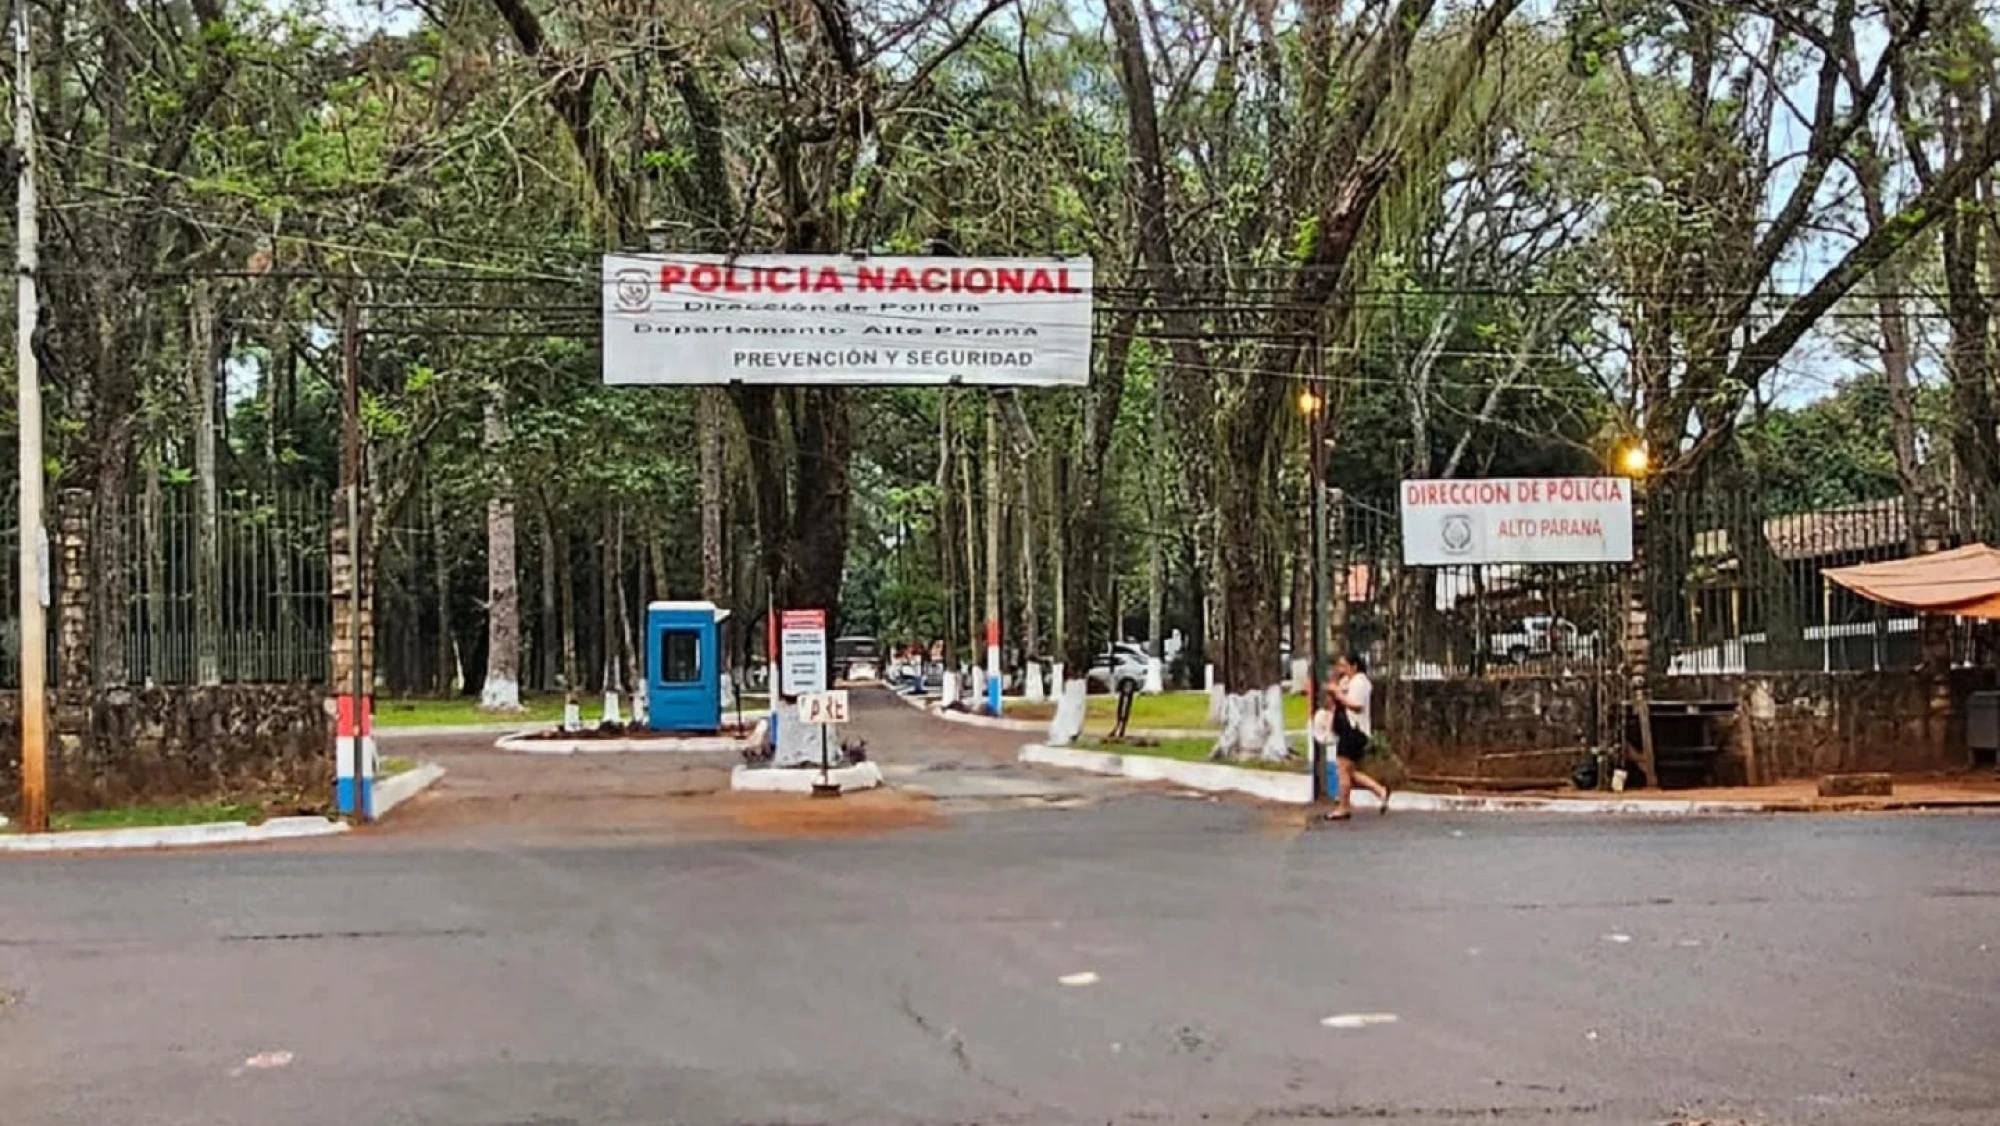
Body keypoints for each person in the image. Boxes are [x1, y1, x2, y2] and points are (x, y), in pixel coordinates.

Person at [1322, 651, 1390, 821]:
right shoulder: (1347, 681)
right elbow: (1335, 697)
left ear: (1354, 666)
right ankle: (1380, 791)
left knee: (1343, 770)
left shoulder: (1361, 682)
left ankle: (1343, 807)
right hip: (1347, 730)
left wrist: (1339, 694)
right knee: (1350, 772)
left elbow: (1356, 705)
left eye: (1344, 665)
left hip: (1353, 731)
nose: (1341, 669)